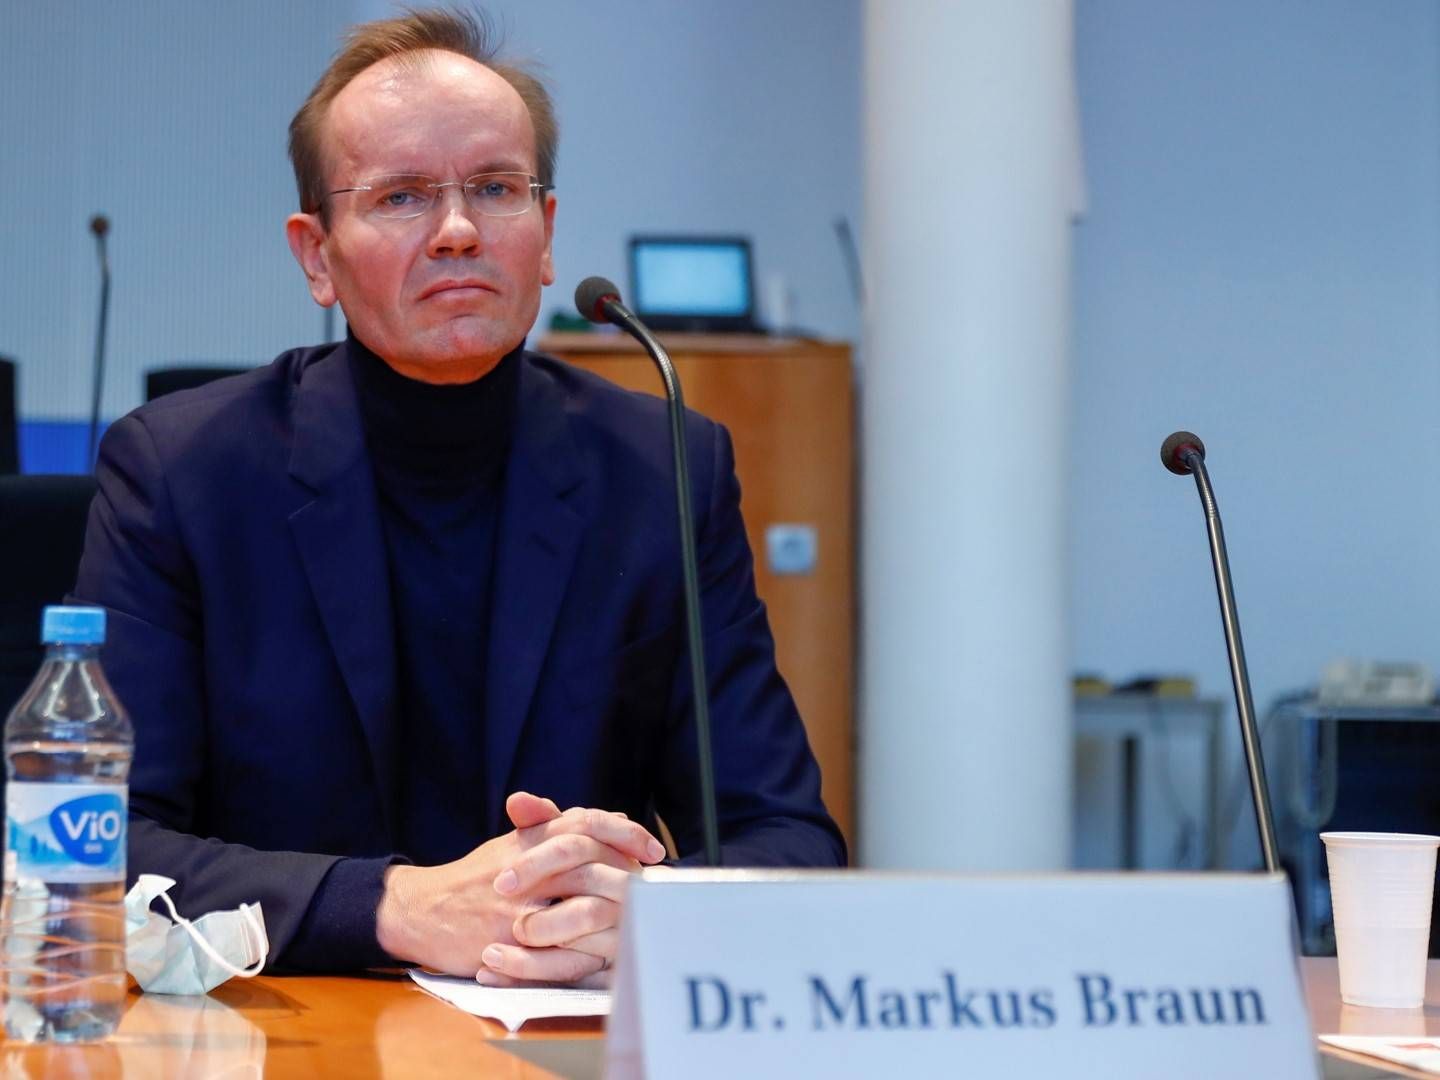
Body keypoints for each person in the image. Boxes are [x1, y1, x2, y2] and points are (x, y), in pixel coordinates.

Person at [71, 8, 843, 985]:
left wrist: (641, 911)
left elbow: (787, 841)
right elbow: (93, 855)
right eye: (400, 197)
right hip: (284, 1031)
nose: (460, 231)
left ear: (548, 232)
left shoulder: (663, 471)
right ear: (317, 254)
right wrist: (394, 906)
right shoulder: (183, 472)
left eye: (495, 188)